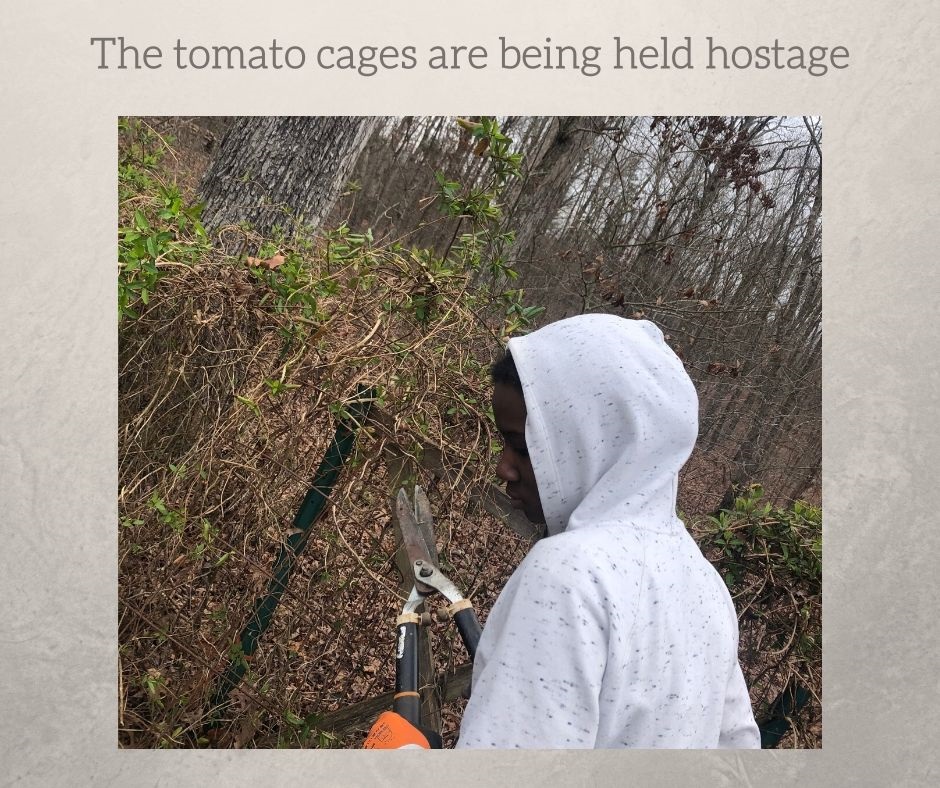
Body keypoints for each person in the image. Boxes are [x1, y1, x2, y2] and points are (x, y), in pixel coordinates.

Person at [366, 314, 760, 749]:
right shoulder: (704, 584)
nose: (503, 468)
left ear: (592, 439)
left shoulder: (570, 575)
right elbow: (738, 746)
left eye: (521, 446)